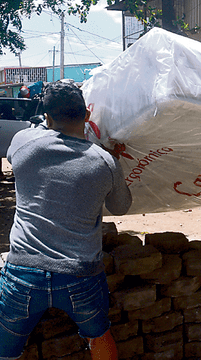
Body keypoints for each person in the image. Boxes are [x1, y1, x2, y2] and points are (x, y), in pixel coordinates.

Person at [0, 81, 132, 359]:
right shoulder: (104, 161)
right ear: (86, 115)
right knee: (99, 336)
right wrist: (113, 161)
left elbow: (22, 152)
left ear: (47, 117)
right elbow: (120, 207)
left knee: (5, 349)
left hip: (23, 272)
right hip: (80, 273)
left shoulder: (24, 142)